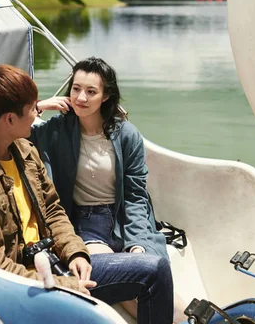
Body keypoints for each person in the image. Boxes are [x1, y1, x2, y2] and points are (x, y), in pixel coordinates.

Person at [0, 64, 174, 324]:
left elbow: (52, 211)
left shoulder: (25, 152)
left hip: (54, 263)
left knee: (154, 268)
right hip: (24, 287)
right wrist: (65, 285)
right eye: (32, 108)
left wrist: (75, 253)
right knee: (150, 276)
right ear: (9, 119)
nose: (37, 114)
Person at [31, 57, 187, 323]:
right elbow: (13, 131)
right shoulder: (57, 130)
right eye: (76, 88)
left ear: (105, 96)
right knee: (134, 286)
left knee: (178, 308)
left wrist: (138, 243)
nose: (81, 97)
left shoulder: (126, 135)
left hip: (124, 221)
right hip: (85, 225)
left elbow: (136, 197)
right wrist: (38, 107)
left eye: (91, 91)